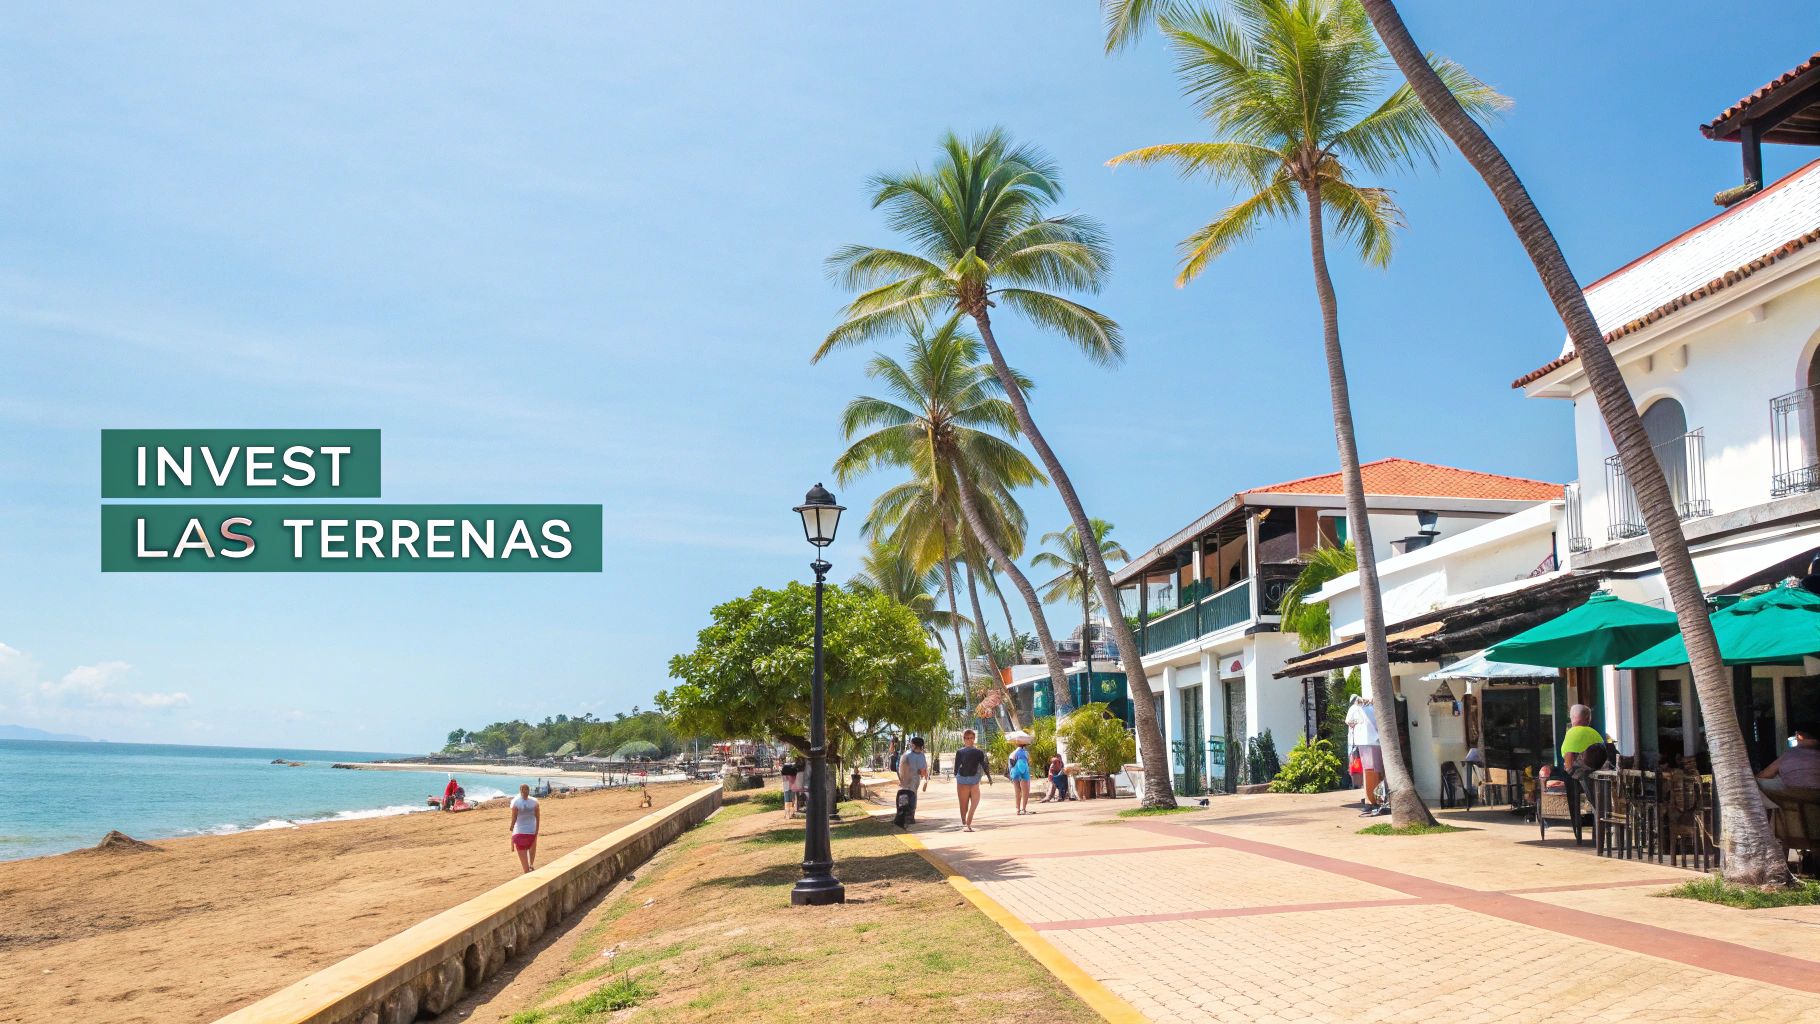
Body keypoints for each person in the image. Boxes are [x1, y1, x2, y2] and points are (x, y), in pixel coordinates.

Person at [1559, 704, 1607, 823]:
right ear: (1588, 719)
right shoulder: (1595, 733)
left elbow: (1569, 759)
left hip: (1581, 777)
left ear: (1573, 717)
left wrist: (1568, 770)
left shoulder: (1572, 732)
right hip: (1599, 774)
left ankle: (1576, 822)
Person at [1346, 695, 1385, 816]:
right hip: (1373, 742)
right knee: (1374, 772)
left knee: (1370, 772)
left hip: (1367, 742)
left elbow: (1348, 721)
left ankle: (1372, 801)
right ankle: (1375, 800)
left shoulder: (1356, 709)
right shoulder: (1372, 707)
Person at [1759, 723, 1820, 795]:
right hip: (1815, 798)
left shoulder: (1788, 755)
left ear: (1799, 736)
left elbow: (1764, 775)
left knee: (1758, 783)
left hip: (1795, 798)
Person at [952, 729, 991, 832]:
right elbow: (956, 766)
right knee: (963, 804)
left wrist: (989, 777)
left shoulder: (979, 752)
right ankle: (965, 823)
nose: (968, 740)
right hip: (963, 779)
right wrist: (956, 775)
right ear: (963, 739)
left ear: (974, 739)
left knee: (974, 802)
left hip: (973, 779)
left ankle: (968, 823)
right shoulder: (960, 752)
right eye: (966, 738)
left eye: (970, 738)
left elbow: (984, 765)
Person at [895, 736, 929, 828]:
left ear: (913, 745)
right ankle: (910, 817)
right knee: (913, 796)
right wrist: (925, 779)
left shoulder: (907, 754)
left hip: (906, 779)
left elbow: (901, 768)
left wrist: (902, 779)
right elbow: (923, 770)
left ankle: (902, 816)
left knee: (904, 796)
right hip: (915, 780)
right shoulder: (921, 755)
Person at [508, 783, 541, 873]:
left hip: (525, 832)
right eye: (524, 789)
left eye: (526, 789)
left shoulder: (520, 802)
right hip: (526, 831)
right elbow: (537, 818)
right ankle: (530, 866)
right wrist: (511, 826)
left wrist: (511, 826)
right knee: (531, 852)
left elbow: (514, 817)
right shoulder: (533, 802)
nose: (525, 791)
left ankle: (530, 866)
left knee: (530, 853)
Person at [1008, 739, 1033, 815]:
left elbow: (1010, 766)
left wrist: (1011, 775)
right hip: (1023, 774)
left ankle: (1018, 810)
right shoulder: (1024, 753)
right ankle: (1024, 809)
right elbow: (1024, 764)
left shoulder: (1012, 753)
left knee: (1017, 792)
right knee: (1025, 792)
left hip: (1014, 774)